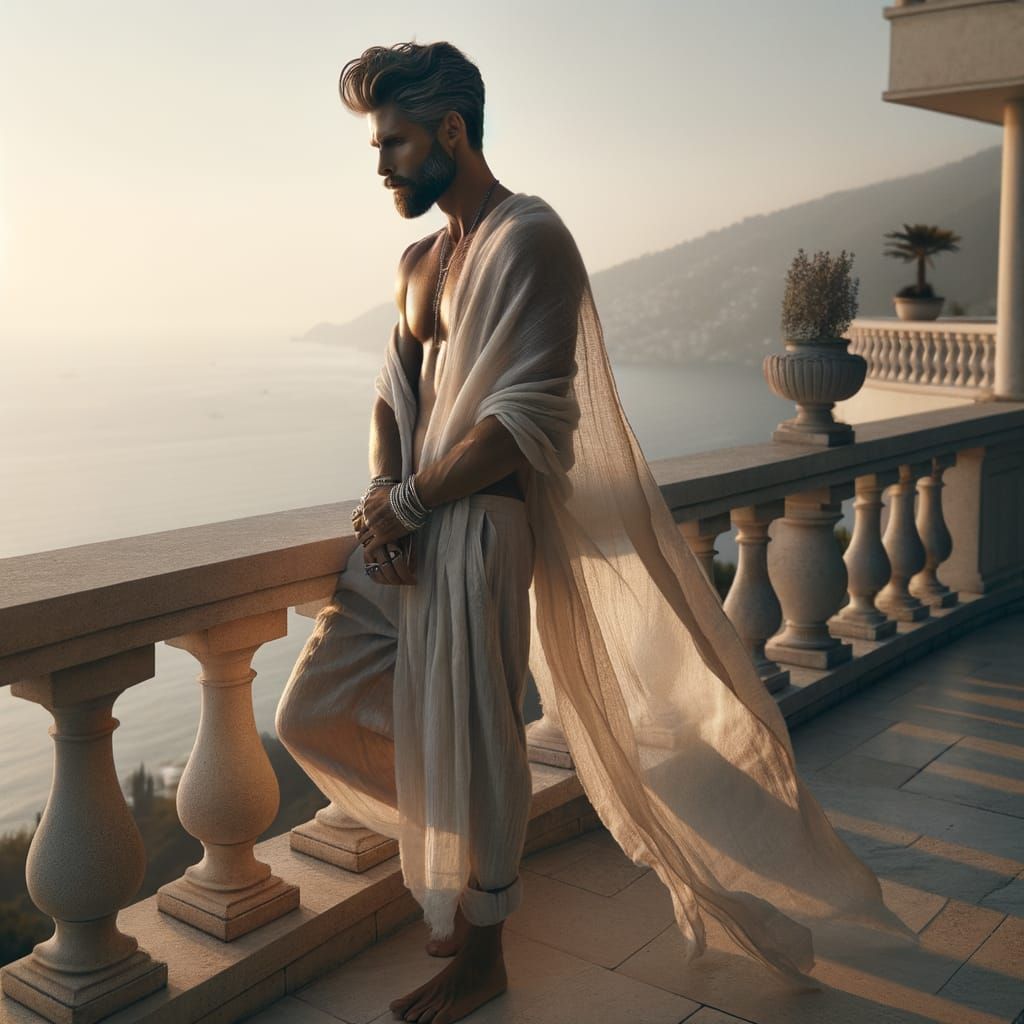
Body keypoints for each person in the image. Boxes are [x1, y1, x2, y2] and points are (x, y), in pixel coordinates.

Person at [277, 40, 919, 1024]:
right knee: (311, 709)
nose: (381, 166)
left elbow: (530, 419)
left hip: (482, 528)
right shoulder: (416, 260)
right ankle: (460, 865)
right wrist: (383, 494)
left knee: (482, 737)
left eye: (395, 143)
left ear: (451, 132)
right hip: (403, 528)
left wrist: (414, 502)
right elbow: (392, 390)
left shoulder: (532, 238)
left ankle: (482, 946)